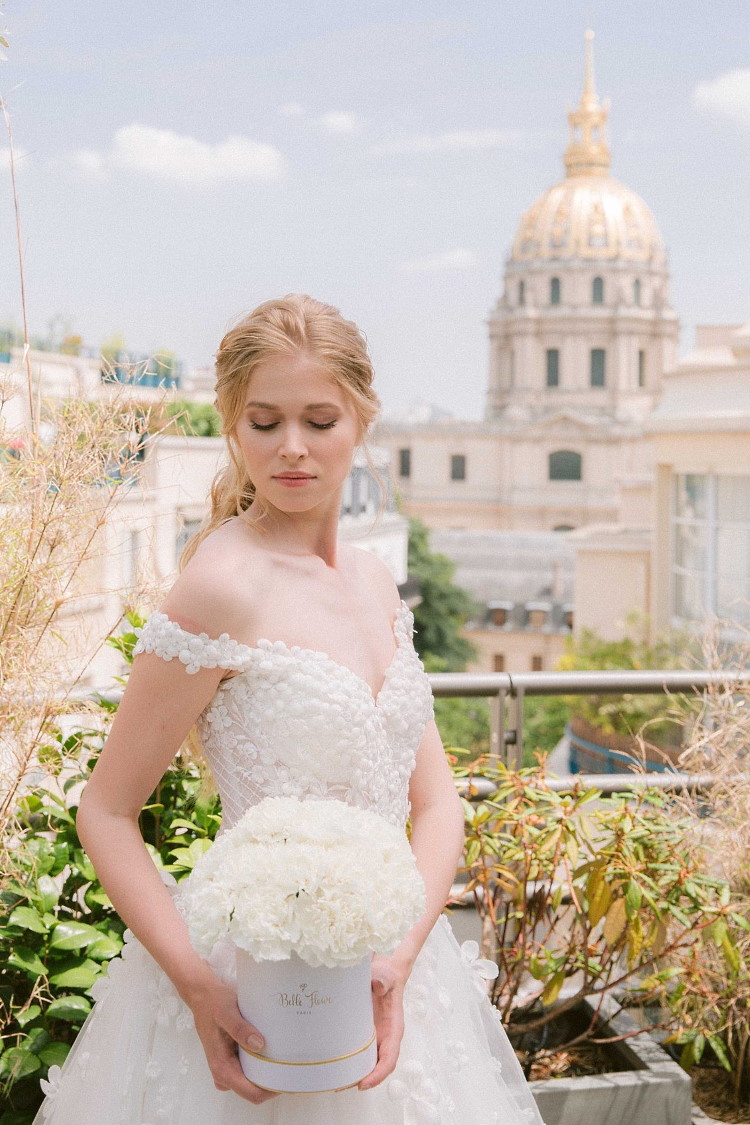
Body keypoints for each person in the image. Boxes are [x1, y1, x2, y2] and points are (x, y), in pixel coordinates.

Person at [34, 294, 544, 1124]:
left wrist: (401, 956)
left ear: (362, 420)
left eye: (319, 419)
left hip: (392, 974)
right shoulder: (221, 583)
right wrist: (201, 985)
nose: (293, 448)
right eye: (264, 421)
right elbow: (107, 809)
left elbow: (435, 801)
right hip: (259, 984)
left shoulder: (376, 581)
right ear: (234, 427)